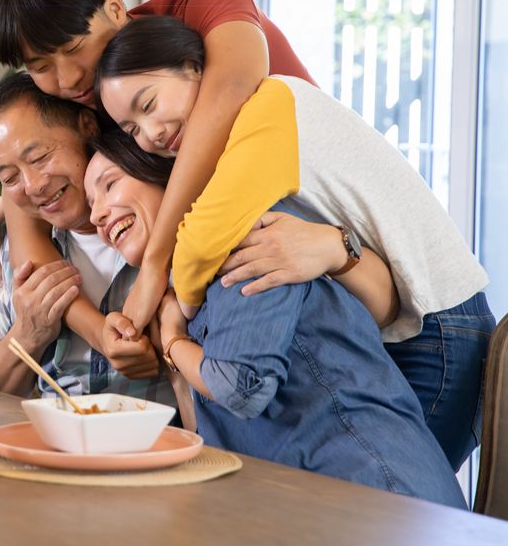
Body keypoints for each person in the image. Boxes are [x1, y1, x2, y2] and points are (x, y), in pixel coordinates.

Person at [94, 14, 494, 471]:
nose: (152, 134)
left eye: (148, 104)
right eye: (132, 131)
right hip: (418, 323)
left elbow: (202, 241)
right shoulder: (250, 130)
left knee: (393, 508)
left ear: (192, 67)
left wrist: (172, 311)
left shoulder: (269, 105)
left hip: (439, 332)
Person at [0, 0, 318, 363]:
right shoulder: (94, 98)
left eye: (74, 49)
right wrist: (100, 330)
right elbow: (28, 215)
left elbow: (230, 94)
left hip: (324, 215)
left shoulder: (203, 3)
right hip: (264, 274)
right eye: (41, 67)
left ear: (115, 8)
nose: (66, 79)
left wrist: (156, 266)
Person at [83, 137, 466, 508]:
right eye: (90, 203)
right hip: (314, 504)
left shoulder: (247, 239)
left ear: (167, 176)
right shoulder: (180, 293)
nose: (97, 214)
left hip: (380, 497)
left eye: (109, 185)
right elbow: (209, 441)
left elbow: (241, 387)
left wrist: (172, 341)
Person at [0, 73, 171, 403]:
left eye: (40, 158)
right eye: (9, 178)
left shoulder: (154, 222)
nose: (33, 185)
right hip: (55, 444)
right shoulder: (20, 252)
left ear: (88, 127)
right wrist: (28, 332)